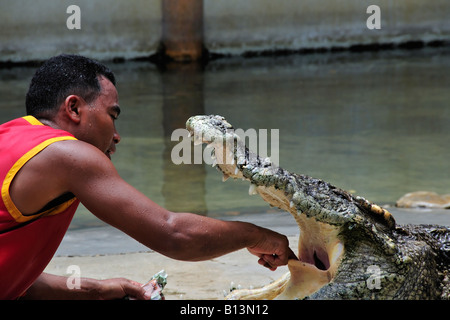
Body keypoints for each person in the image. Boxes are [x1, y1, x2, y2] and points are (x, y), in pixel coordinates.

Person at [0, 54, 296, 300]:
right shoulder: (68, 154)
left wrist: (100, 290)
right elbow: (174, 235)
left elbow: (13, 283)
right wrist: (258, 235)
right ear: (74, 108)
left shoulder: (11, 136)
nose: (117, 136)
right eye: (112, 115)